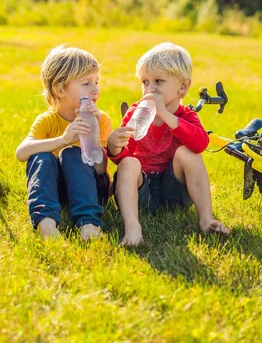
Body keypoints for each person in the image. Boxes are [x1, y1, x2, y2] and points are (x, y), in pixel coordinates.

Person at [107, 42, 230, 247]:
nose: (150, 89)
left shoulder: (186, 116)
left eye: (158, 81)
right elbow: (123, 156)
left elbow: (200, 144)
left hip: (174, 192)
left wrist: (164, 114)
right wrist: (114, 146)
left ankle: (206, 219)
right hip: (141, 192)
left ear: (182, 86)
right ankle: (132, 226)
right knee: (129, 163)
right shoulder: (135, 112)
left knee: (188, 153)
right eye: (145, 82)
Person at [16, 45, 111, 241]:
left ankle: (89, 223)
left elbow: (101, 169)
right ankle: (46, 224)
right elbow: (21, 153)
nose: (95, 89)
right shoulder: (47, 120)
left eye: (97, 82)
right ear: (60, 89)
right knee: (41, 157)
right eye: (86, 83)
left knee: (71, 154)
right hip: (57, 191)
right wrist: (62, 140)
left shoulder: (101, 119)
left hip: (92, 187)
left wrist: (92, 134)